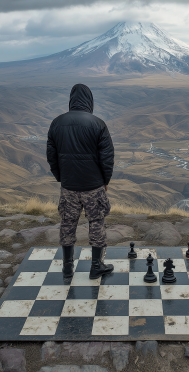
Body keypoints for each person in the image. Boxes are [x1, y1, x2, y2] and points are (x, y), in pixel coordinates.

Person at [46, 83, 115, 280]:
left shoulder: (56, 123)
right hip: (93, 186)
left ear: (71, 100)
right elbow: (107, 157)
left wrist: (61, 177)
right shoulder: (98, 123)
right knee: (96, 223)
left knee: (67, 223)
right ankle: (96, 266)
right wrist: (105, 180)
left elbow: (51, 156)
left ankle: (67, 268)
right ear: (89, 101)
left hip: (69, 185)